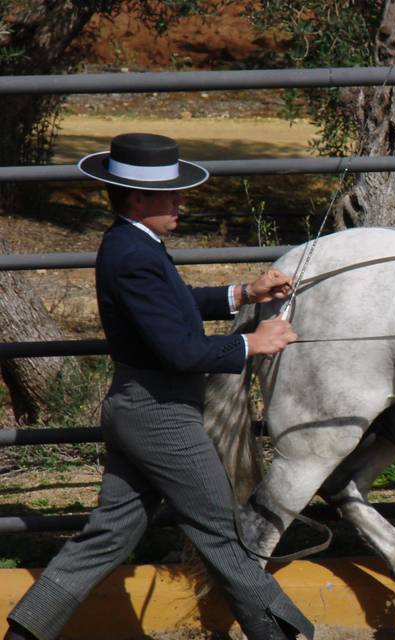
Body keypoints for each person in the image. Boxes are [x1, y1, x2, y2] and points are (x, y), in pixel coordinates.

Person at [5, 133, 313, 640]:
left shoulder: (136, 244)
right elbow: (179, 351)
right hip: (161, 417)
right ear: (137, 198)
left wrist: (243, 293)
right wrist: (253, 344)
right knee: (221, 531)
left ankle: (24, 635)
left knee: (105, 538)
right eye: (171, 195)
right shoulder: (132, 255)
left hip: (142, 411)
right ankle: (280, 632)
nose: (181, 202)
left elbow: (173, 304)